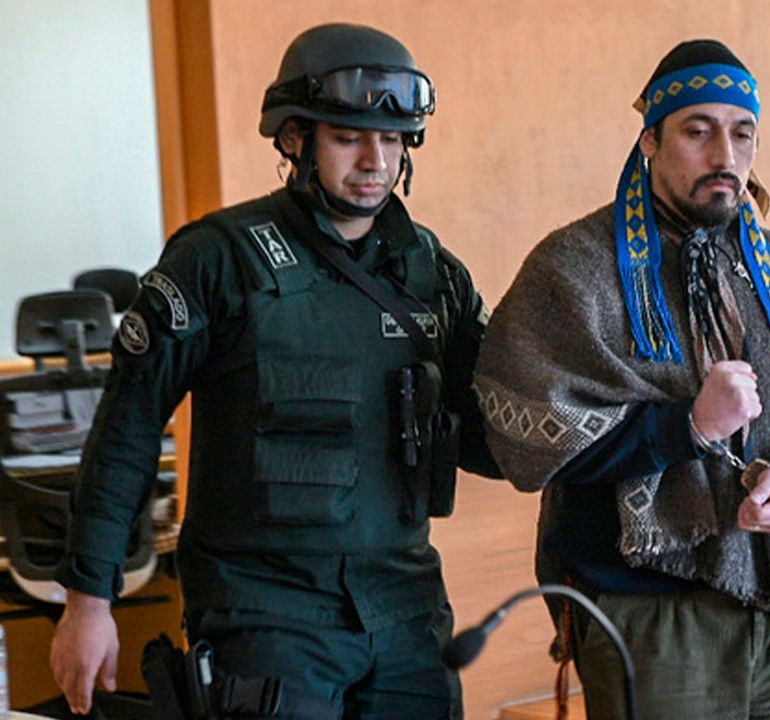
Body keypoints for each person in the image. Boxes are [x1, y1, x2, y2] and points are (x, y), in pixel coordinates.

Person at [49, 23, 498, 719]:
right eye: (348, 138)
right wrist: (89, 598)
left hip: (405, 609)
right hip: (264, 611)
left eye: (392, 139)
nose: (375, 160)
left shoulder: (433, 274)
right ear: (294, 138)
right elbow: (127, 429)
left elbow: (491, 432)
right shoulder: (216, 259)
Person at [474, 39, 770, 719]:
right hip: (648, 612)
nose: (724, 155)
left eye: (742, 134)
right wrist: (689, 425)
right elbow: (524, 440)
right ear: (650, 141)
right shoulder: (572, 269)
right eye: (698, 132)